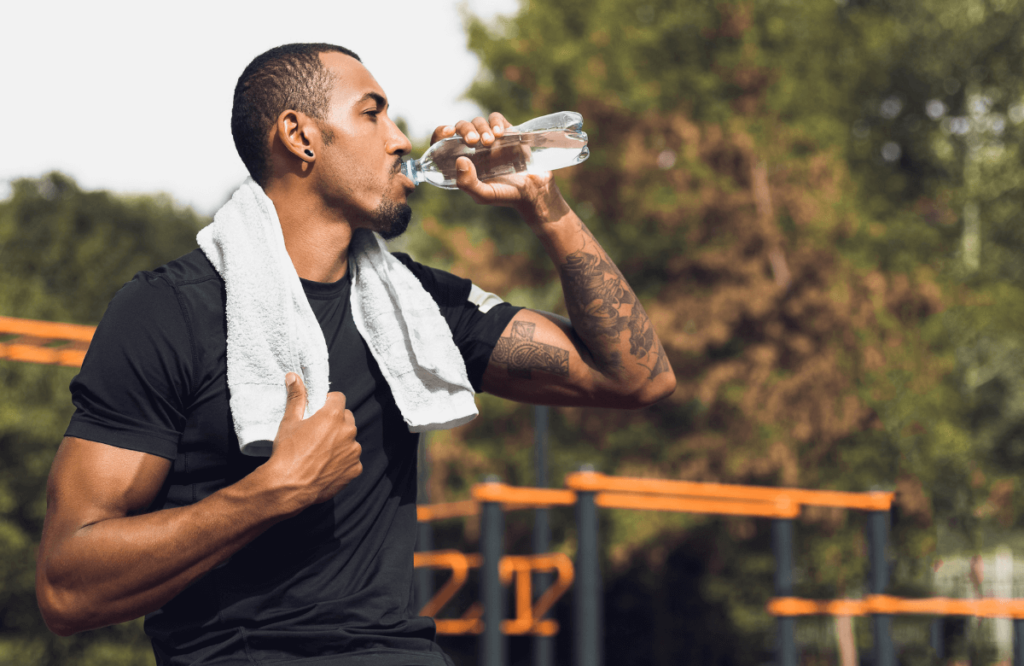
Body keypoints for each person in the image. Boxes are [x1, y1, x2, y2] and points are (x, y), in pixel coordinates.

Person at [35, 43, 676, 666]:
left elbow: (636, 378)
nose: (400, 140)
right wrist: (270, 492)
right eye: (372, 113)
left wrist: (547, 206)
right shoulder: (169, 311)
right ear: (300, 136)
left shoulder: (418, 310)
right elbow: (67, 587)